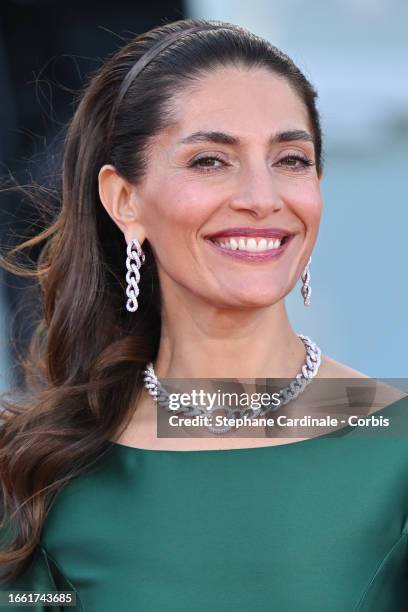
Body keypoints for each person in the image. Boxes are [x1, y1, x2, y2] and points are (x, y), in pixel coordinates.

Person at [0, 17, 407, 611]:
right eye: (211, 160)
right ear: (125, 200)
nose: (262, 197)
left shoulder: (392, 443)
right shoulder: (37, 471)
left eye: (291, 159)